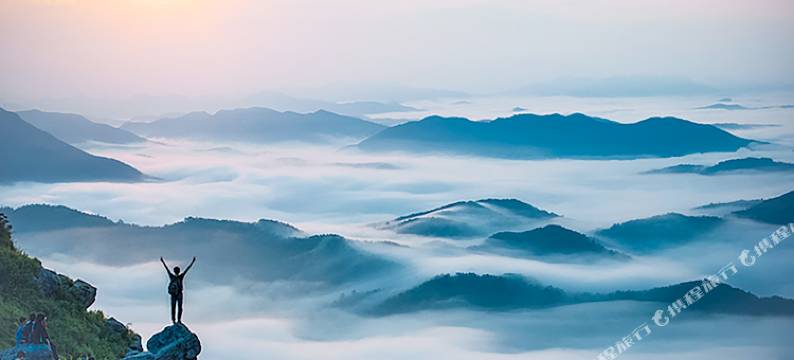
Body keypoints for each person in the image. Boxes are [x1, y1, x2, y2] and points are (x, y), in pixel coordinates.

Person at [160, 256, 196, 323]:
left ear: (174, 271)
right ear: (178, 271)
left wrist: (163, 262)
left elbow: (167, 269)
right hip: (179, 294)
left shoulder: (172, 276)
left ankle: (174, 320)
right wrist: (192, 262)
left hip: (174, 294)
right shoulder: (180, 277)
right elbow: (187, 269)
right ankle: (178, 320)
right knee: (179, 307)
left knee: (174, 307)